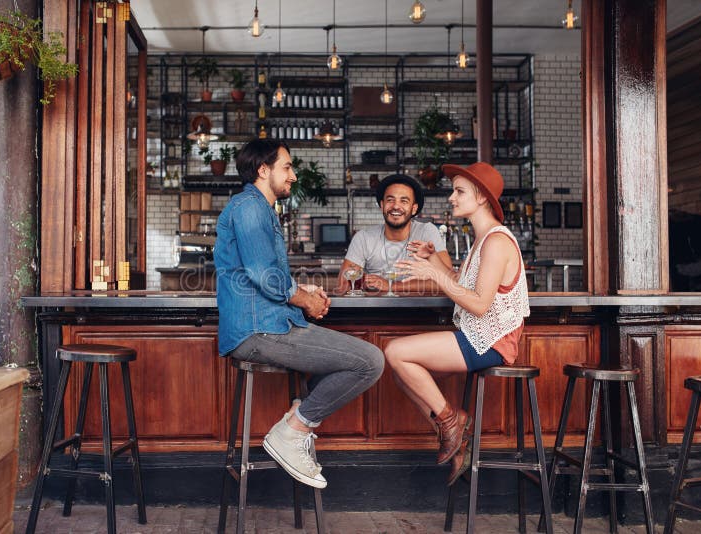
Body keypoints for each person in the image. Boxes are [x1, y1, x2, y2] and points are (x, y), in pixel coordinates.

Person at [214, 138, 385, 489]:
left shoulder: (261, 208)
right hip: (258, 331)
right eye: (287, 167)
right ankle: (292, 431)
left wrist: (305, 292)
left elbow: (270, 274)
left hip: (271, 325)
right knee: (370, 361)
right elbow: (264, 274)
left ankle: (298, 415)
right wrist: (305, 301)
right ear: (264, 170)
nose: (293, 175)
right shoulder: (249, 207)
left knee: (365, 360)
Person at [383, 162, 530, 486]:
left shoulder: (496, 242)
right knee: (400, 370)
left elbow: (478, 304)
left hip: (490, 341)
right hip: (476, 335)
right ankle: (456, 438)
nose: (451, 197)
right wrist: (433, 258)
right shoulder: (482, 241)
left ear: (481, 198)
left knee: (395, 351)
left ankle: (452, 421)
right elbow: (459, 283)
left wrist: (432, 273)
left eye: (459, 191)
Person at [336, 174, 453, 294]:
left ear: (414, 208)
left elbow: (450, 281)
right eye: (390, 200)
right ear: (382, 206)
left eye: (404, 201)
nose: (396, 206)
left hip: (421, 309)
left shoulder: (427, 231)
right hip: (374, 310)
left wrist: (392, 286)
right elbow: (343, 285)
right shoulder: (364, 238)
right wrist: (363, 281)